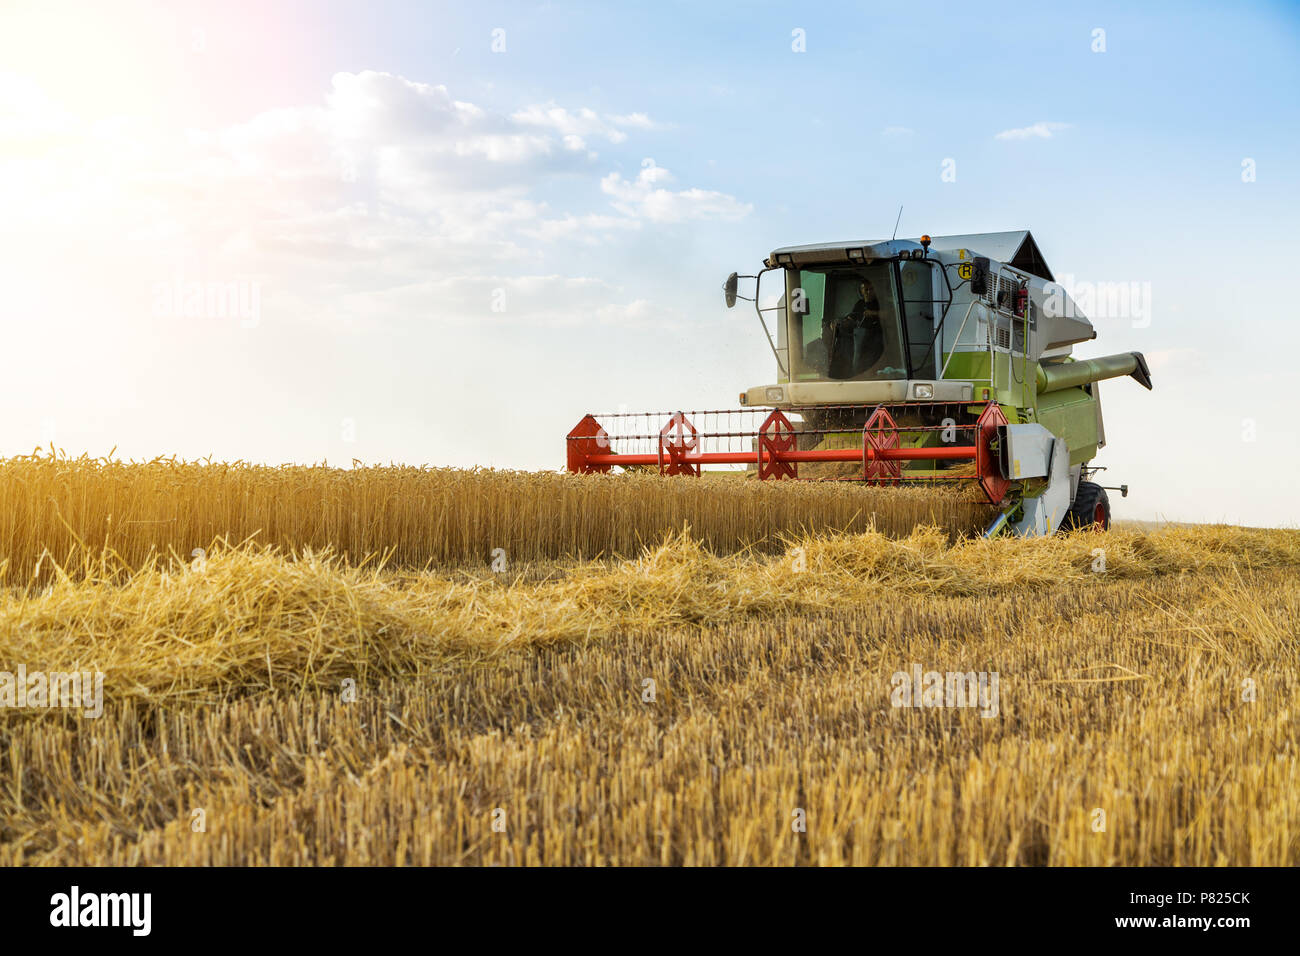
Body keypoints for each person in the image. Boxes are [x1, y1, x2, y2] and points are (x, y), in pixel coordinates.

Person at [823, 278, 886, 378]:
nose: (868, 292)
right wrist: (840, 322)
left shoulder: (880, 303)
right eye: (866, 290)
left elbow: (890, 315)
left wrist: (873, 313)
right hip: (859, 337)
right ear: (861, 291)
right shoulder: (859, 304)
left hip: (876, 337)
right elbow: (851, 318)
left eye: (871, 289)